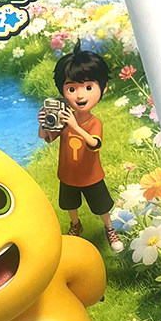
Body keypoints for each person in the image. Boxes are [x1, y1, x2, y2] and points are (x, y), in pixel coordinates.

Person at [38, 41, 123, 252]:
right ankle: (76, 225)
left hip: (91, 175)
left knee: (101, 206)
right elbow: (47, 138)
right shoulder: (64, 117)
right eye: (71, 89)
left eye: (88, 87)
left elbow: (94, 144)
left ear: (103, 88)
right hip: (68, 174)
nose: (80, 95)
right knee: (70, 204)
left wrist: (75, 126)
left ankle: (109, 228)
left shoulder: (94, 122)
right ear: (63, 91)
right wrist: (43, 124)